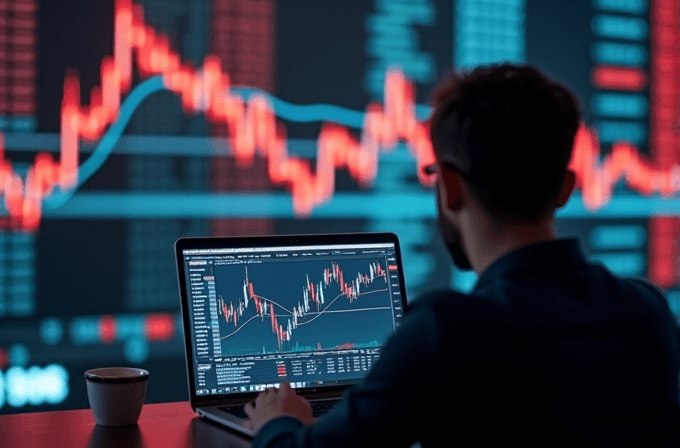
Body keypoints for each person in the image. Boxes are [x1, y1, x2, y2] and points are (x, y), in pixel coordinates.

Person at [244, 63, 680, 447]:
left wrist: (278, 423)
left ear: (449, 186)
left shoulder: (446, 333)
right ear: (566, 188)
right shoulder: (649, 311)